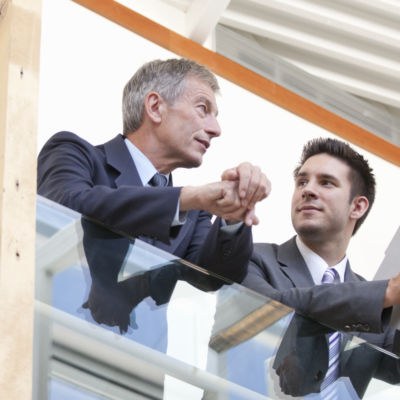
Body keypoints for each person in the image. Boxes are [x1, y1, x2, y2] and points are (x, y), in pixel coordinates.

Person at [37, 57, 270, 286]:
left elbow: (212, 278)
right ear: (155, 108)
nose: (216, 130)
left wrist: (234, 215)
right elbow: (68, 209)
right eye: (202, 109)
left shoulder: (195, 213)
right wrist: (186, 199)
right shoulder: (73, 152)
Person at [242, 137, 400, 397]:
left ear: (357, 206)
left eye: (326, 182)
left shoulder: (375, 302)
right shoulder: (251, 258)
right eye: (302, 182)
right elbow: (276, 310)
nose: (307, 190)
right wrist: (387, 292)